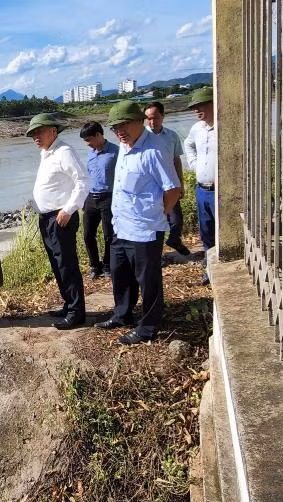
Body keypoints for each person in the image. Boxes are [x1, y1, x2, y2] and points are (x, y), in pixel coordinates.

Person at [94, 101, 181, 345]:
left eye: (124, 125)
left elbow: (173, 188)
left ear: (140, 121)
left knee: (148, 280)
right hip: (121, 225)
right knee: (119, 273)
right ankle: (123, 314)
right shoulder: (124, 146)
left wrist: (160, 213)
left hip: (145, 229)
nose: (120, 131)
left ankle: (148, 327)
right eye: (115, 127)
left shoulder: (154, 150)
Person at [26, 113, 91, 330]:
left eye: (40, 132)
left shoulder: (64, 152)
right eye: (33, 134)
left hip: (60, 218)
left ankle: (76, 312)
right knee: (57, 264)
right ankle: (68, 304)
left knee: (67, 265)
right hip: (47, 218)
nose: (36, 137)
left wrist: (69, 209)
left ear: (54, 131)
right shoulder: (46, 153)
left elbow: (82, 181)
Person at [144, 101, 191, 257]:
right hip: (150, 187)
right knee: (154, 223)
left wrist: (181, 184)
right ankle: (156, 255)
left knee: (176, 220)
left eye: (155, 117)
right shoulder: (141, 137)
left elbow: (176, 160)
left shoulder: (171, 136)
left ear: (163, 116)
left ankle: (174, 240)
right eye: (148, 118)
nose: (152, 122)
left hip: (169, 185)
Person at [183, 87, 216, 285]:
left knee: (222, 231)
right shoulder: (197, 129)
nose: (196, 110)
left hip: (219, 190)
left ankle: (221, 267)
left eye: (200, 106)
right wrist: (194, 164)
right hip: (202, 189)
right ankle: (208, 269)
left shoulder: (224, 126)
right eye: (194, 107)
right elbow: (188, 144)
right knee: (206, 232)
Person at [79, 121, 119, 280]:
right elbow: (88, 177)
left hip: (108, 198)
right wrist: (83, 199)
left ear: (98, 135)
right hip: (91, 198)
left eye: (89, 139)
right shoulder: (91, 153)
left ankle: (108, 264)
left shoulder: (116, 152)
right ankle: (95, 265)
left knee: (109, 235)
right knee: (88, 234)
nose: (87, 144)